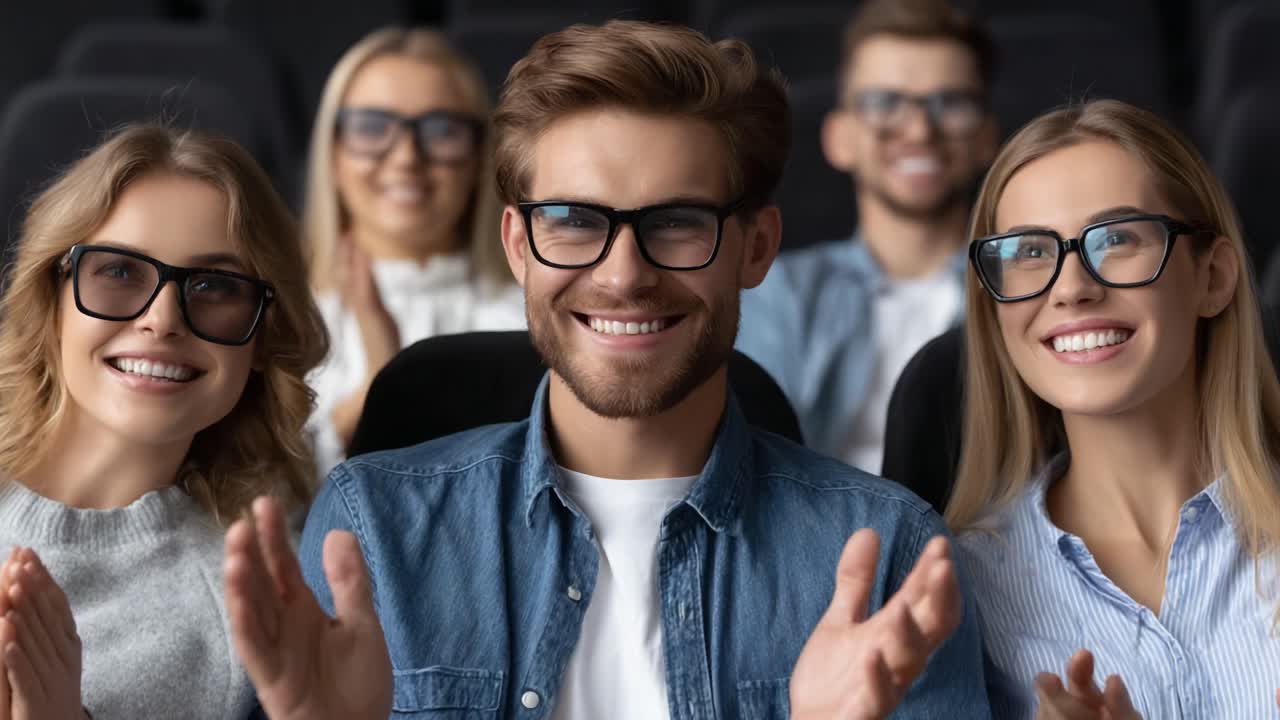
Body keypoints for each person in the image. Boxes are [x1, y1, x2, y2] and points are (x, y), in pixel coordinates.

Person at [223, 20, 991, 720]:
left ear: (756, 248)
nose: (623, 276)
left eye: (679, 223)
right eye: (574, 222)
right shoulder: (370, 533)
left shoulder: (890, 553)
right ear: (519, 246)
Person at [947, 99, 1280, 718]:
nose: (1072, 287)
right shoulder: (959, 589)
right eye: (1028, 252)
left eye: (1118, 238)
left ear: (1212, 278)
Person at [0, 125, 328, 719]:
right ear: (53, 295)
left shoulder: (246, 611)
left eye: (215, 286)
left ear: (260, 340)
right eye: (120, 272)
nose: (162, 319)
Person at [737, 0, 997, 471]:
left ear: (986, 138)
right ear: (839, 138)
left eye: (951, 104)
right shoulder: (773, 290)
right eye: (884, 103)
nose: (919, 130)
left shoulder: (1022, 287)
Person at [302, 27, 525, 476]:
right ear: (333, 150)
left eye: (442, 130)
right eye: (371, 127)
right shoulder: (274, 320)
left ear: (481, 156)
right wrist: (377, 386)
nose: (406, 157)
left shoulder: (532, 315)